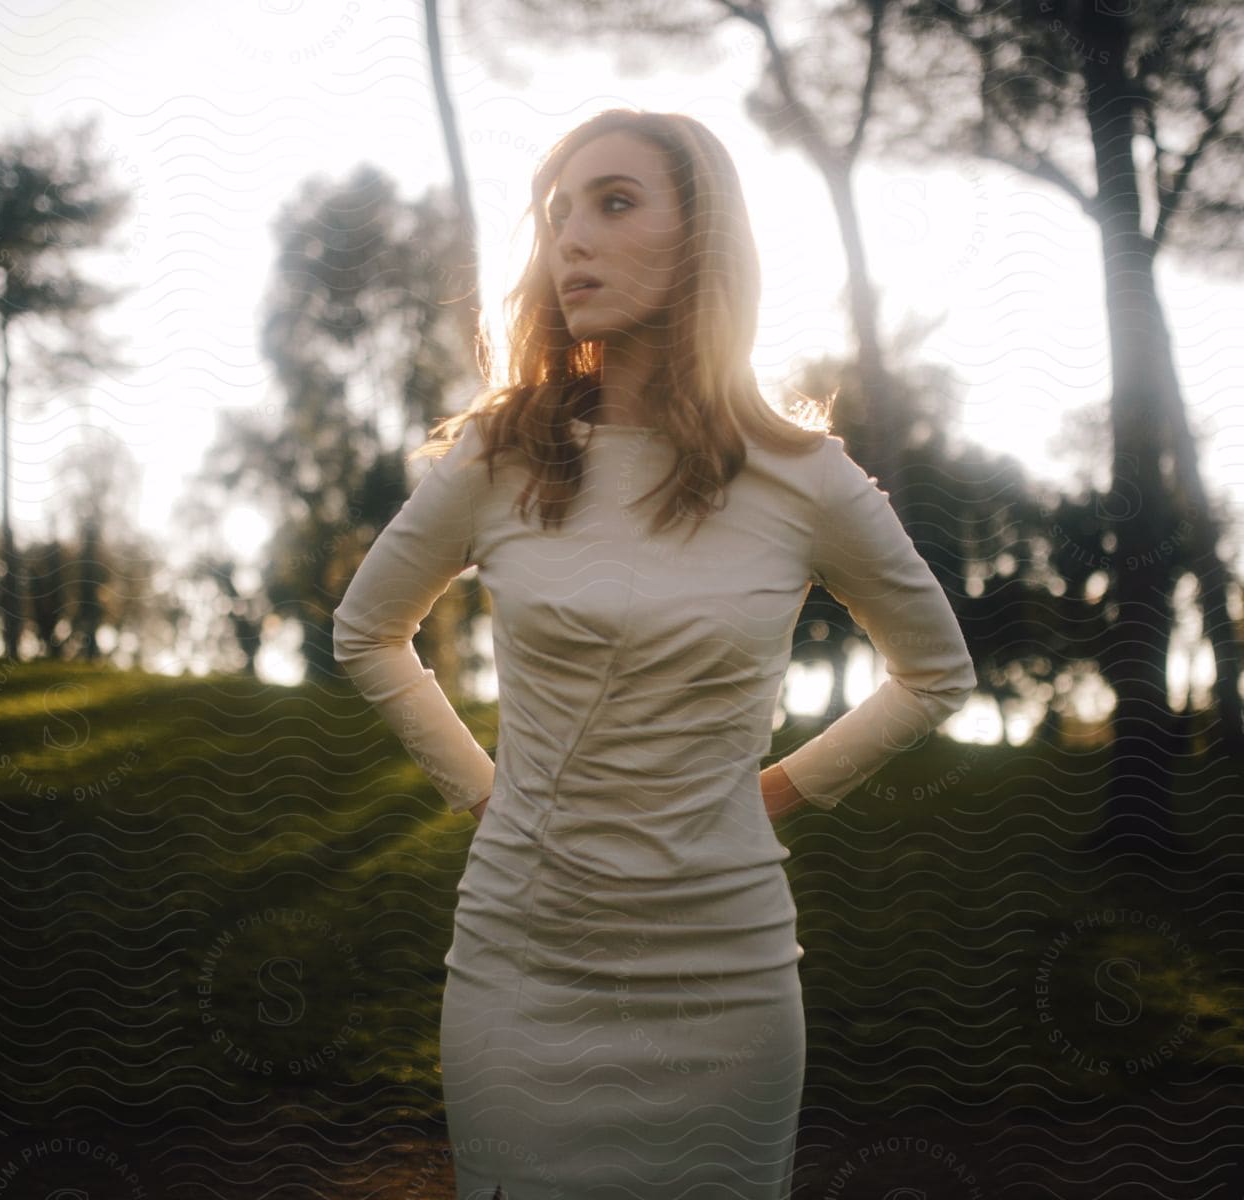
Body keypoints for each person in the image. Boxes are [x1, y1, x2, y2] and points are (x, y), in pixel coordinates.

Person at [331, 108, 976, 1200]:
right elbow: (366, 631)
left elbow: (936, 674)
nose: (570, 238)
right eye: (556, 214)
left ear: (703, 240)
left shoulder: (803, 476)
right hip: (521, 969)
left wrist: (780, 789)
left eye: (614, 203)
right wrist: (485, 793)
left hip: (724, 980)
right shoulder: (499, 455)